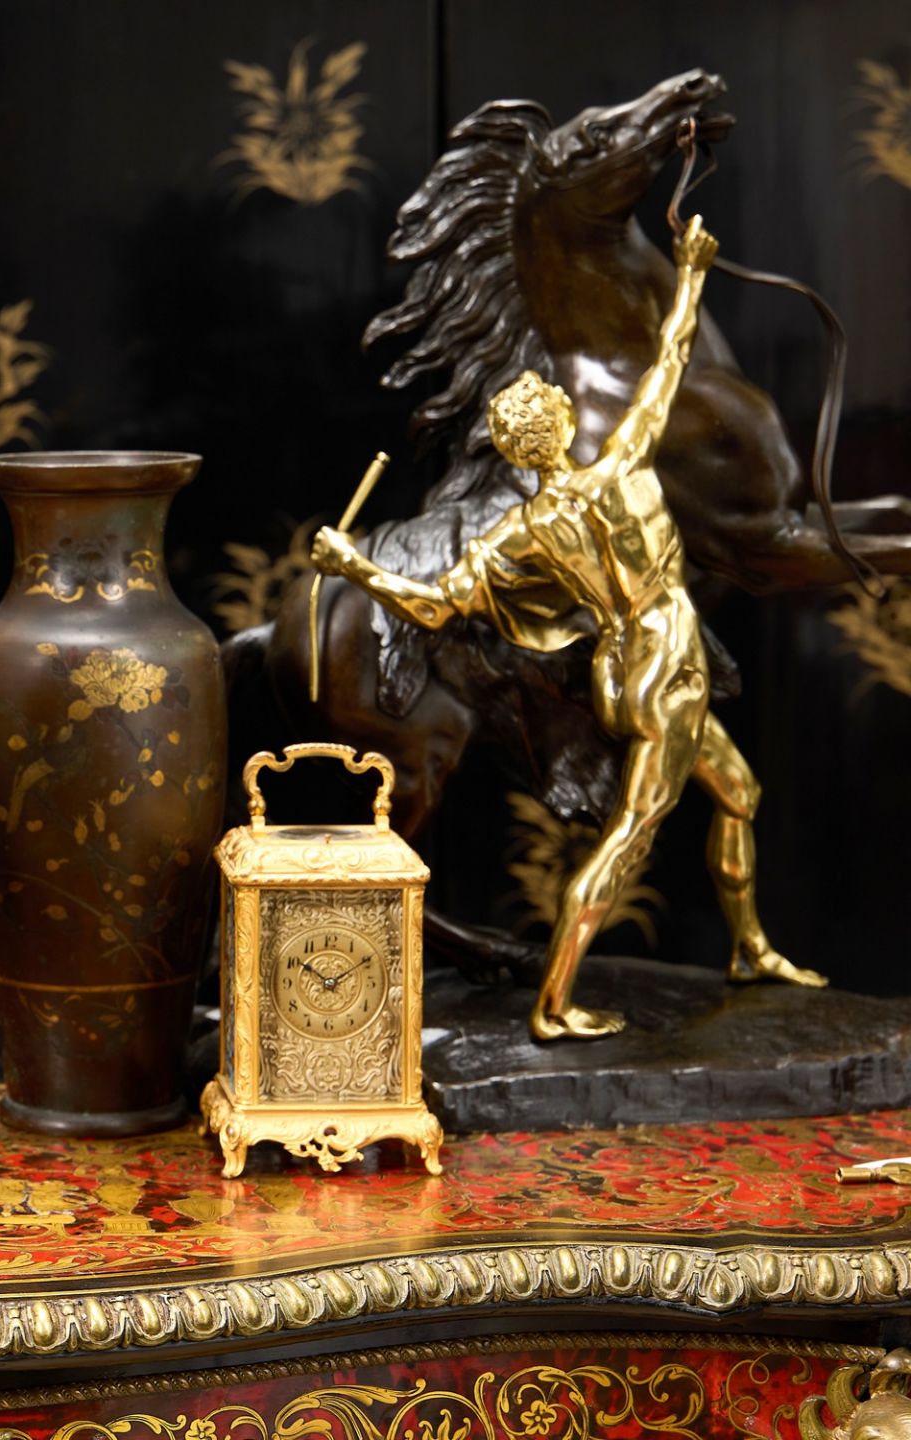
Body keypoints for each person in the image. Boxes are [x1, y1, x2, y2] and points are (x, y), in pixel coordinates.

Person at [311, 215, 824, 1041]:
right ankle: (553, 1004)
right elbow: (671, 358)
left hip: (621, 667)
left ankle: (751, 947)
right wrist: (692, 270)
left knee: (739, 793)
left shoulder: (519, 532)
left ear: (518, 448)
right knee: (634, 833)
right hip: (666, 662)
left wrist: (356, 567)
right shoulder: (622, 462)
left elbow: (436, 606)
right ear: (557, 420)